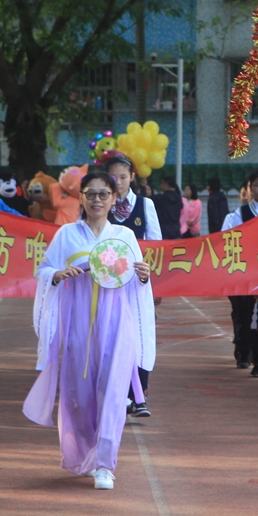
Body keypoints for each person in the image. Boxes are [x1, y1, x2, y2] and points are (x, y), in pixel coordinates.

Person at [22, 170, 155, 491]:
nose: (97, 200)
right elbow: (43, 269)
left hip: (117, 325)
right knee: (80, 397)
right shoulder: (67, 235)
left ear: (114, 198)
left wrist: (144, 275)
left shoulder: (124, 236)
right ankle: (85, 451)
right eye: (91, 194)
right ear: (81, 197)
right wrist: (56, 274)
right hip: (78, 325)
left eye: (104, 194)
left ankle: (105, 464)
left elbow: (138, 282)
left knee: (112, 393)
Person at [103, 153, 161, 417]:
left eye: (123, 177)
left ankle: (140, 395)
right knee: (112, 338)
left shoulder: (145, 205)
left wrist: (151, 281)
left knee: (140, 336)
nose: (119, 182)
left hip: (137, 283)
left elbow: (155, 245)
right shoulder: (100, 206)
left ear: (133, 178)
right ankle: (118, 394)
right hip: (107, 284)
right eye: (113, 178)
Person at [222, 172, 258, 376]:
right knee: (243, 316)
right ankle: (243, 352)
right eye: (257, 185)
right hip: (243, 275)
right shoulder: (237, 215)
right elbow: (225, 241)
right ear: (249, 189)